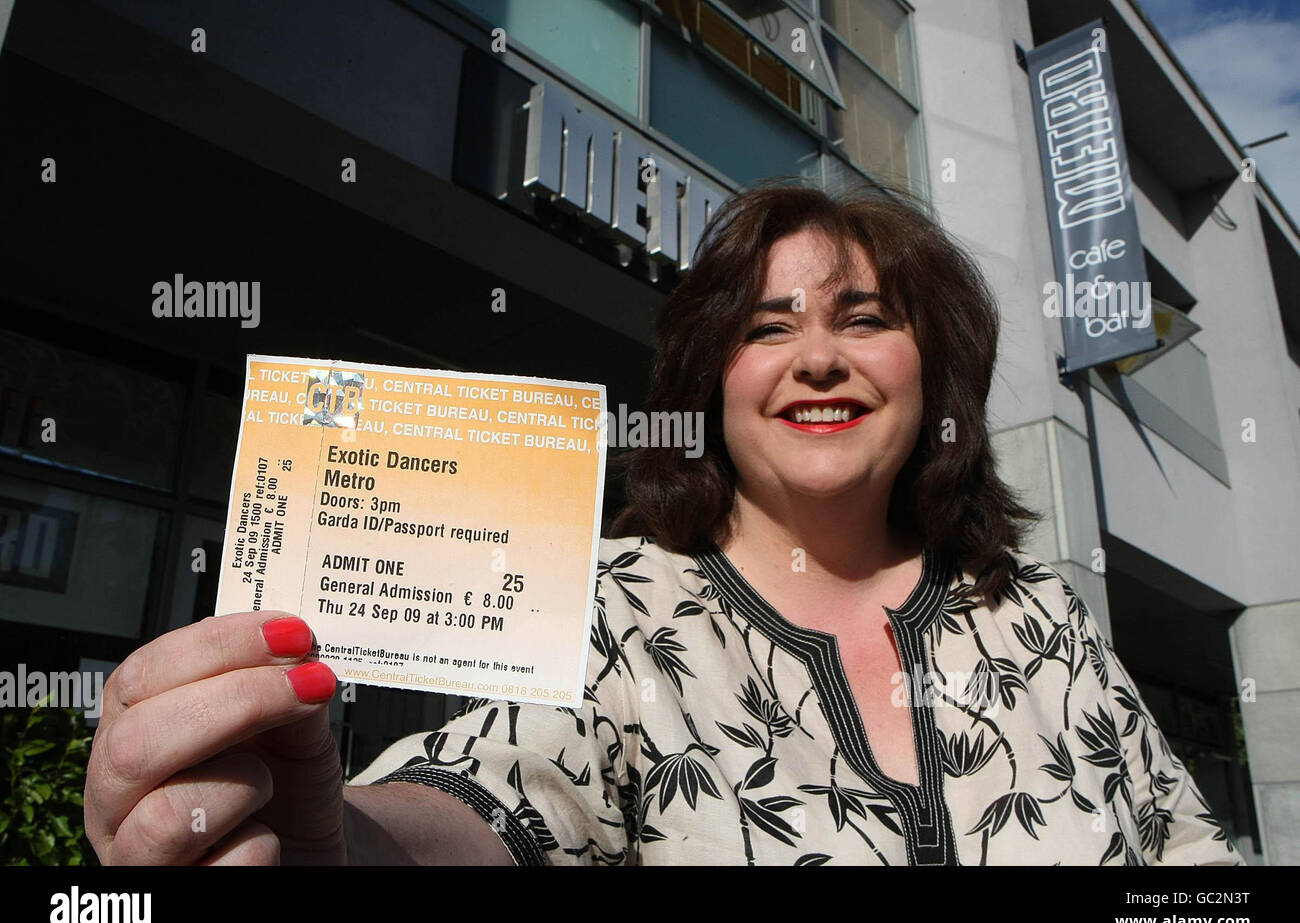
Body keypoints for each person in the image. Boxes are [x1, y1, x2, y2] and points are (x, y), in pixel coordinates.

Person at [84, 182, 1244, 865]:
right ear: (709, 385)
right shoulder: (613, 606)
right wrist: (339, 838)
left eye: (864, 317)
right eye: (766, 327)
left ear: (935, 375)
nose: (819, 358)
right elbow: (492, 798)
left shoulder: (1039, 615)